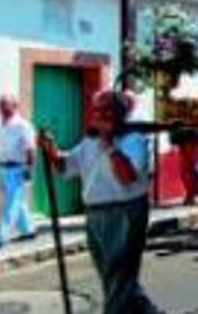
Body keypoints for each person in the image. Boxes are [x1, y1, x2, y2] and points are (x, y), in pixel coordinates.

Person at [38, 90, 159, 314]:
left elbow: (127, 177)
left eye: (107, 109)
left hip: (125, 212)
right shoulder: (89, 141)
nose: (100, 114)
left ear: (120, 113)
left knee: (118, 276)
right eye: (97, 110)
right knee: (113, 277)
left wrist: (110, 145)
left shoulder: (135, 139)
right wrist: (52, 151)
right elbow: (66, 166)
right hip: (95, 214)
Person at [0, 94, 37, 249]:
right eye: (0, 105)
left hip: (17, 169)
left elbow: (30, 150)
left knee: (9, 204)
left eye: (5, 105)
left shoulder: (23, 126)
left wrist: (29, 169)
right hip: (2, 170)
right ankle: (28, 230)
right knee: (17, 202)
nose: (2, 108)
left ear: (15, 106)